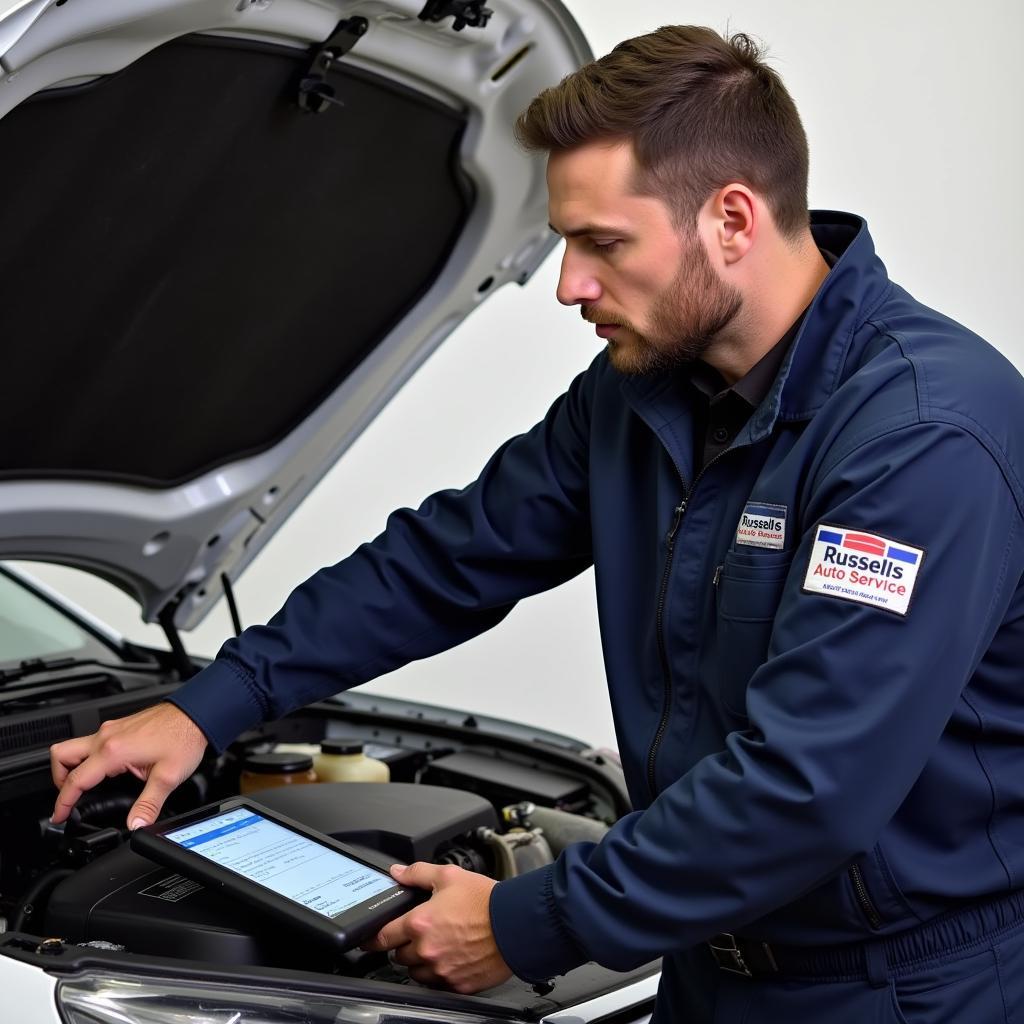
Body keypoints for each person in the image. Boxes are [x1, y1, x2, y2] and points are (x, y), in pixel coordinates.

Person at [48, 25, 1024, 1023]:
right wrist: (210, 703)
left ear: (732, 218)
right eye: (564, 241)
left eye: (603, 242)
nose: (569, 285)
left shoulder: (918, 437)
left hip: (903, 992)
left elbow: (806, 786)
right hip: (702, 967)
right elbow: (446, 560)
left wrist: (527, 922)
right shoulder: (638, 397)